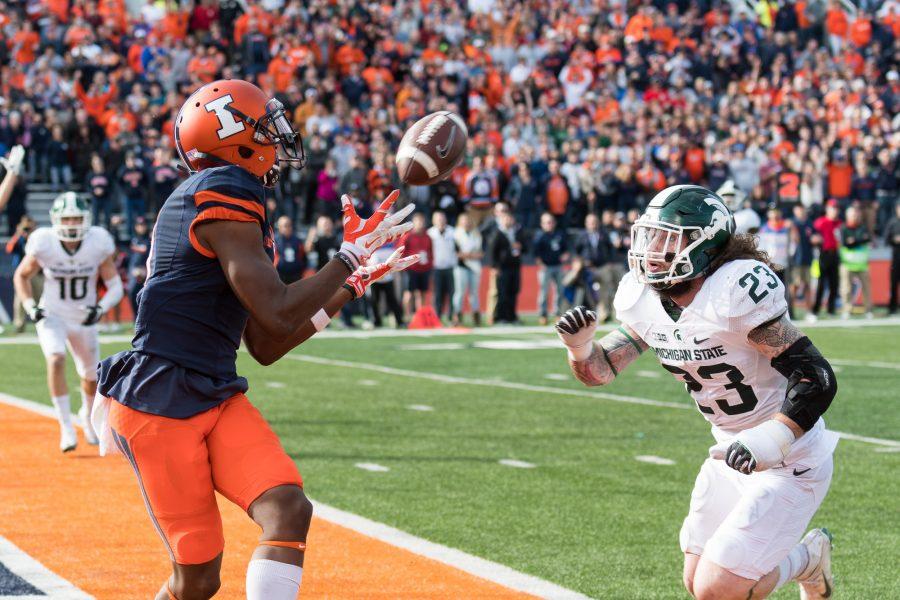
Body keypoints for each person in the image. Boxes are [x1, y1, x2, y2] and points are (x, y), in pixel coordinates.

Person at [93, 80, 413, 600]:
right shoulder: (225, 188)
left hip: (214, 390)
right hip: (162, 401)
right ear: (231, 137)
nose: (279, 134)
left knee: (287, 508)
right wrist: (347, 258)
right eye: (265, 123)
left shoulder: (233, 200)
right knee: (196, 581)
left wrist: (348, 288)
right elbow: (276, 309)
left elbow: (267, 342)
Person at [556, 184, 837, 600]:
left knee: (716, 589)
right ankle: (805, 560)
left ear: (702, 246)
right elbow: (601, 370)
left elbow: (816, 376)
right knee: (694, 580)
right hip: (730, 451)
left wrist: (772, 437)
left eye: (667, 238)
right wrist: (579, 347)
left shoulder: (733, 291)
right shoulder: (646, 299)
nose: (651, 249)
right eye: (649, 235)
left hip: (789, 457)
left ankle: (807, 559)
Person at [13, 192, 122, 452]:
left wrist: (101, 307)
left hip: (83, 316)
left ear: (85, 219)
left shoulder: (97, 241)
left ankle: (85, 414)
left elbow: (114, 283)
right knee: (56, 358)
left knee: (90, 378)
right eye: (67, 219)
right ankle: (65, 426)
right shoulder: (44, 241)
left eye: (76, 219)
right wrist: (30, 306)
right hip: (53, 314)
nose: (71, 224)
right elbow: (21, 276)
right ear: (55, 220)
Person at [757, 204, 796, 318]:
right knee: (772, 289)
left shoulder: (786, 228)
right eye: (772, 212)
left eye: (776, 211)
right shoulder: (765, 229)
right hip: (771, 265)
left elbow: (792, 244)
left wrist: (789, 255)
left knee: (786, 289)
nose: (774, 214)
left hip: (784, 263)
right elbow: (761, 246)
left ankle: (789, 312)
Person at [575, 214, 614, 320]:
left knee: (606, 289)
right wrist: (581, 262)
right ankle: (587, 312)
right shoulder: (582, 235)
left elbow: (610, 248)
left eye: (595, 222)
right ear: (586, 224)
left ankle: (605, 312)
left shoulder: (603, 234)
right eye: (590, 222)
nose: (593, 224)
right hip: (587, 268)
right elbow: (577, 250)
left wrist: (609, 262)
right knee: (587, 291)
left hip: (602, 266)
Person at [533, 212, 569, 325]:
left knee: (559, 291)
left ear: (554, 223)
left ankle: (557, 314)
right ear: (542, 224)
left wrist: (565, 256)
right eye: (546, 222)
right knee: (544, 292)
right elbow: (535, 253)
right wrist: (541, 264)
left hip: (558, 266)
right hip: (546, 267)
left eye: (551, 222)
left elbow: (566, 249)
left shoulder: (559, 234)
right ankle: (543, 315)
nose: (549, 224)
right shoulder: (539, 236)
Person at [4, 215, 39, 333]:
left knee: (41, 300)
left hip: (37, 274)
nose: (27, 231)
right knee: (20, 300)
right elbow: (9, 249)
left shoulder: (39, 238)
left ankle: (42, 324)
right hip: (23, 275)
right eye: (25, 228)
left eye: (29, 228)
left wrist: (32, 235)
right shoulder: (19, 239)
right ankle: (19, 325)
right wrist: (19, 234)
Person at [490, 210, 525, 324]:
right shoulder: (498, 233)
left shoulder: (517, 233)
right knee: (502, 293)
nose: (508, 221)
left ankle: (512, 317)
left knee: (513, 292)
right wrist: (494, 267)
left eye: (510, 219)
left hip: (515, 267)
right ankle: (501, 317)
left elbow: (526, 248)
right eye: (505, 219)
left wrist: (521, 246)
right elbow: (492, 252)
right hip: (502, 268)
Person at [810, 200, 842, 320]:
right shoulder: (820, 222)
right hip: (822, 254)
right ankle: (815, 310)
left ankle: (831, 309)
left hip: (835, 254)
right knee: (821, 284)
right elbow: (813, 236)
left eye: (836, 208)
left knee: (834, 284)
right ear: (827, 209)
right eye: (833, 208)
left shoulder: (839, 223)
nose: (835, 210)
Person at [838, 205, 873, 319]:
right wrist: (858, 240)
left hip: (862, 264)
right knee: (846, 289)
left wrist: (854, 241)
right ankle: (847, 310)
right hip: (847, 263)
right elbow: (845, 242)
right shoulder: (843, 228)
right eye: (852, 215)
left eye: (856, 214)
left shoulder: (863, 227)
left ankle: (868, 310)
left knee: (867, 288)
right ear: (848, 216)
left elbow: (867, 238)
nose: (855, 217)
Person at [452, 213, 483, 327]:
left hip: (474, 266)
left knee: (474, 293)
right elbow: (456, 253)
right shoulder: (455, 234)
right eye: (464, 220)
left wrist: (469, 255)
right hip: (461, 266)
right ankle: (457, 315)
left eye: (468, 220)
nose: (466, 222)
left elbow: (480, 253)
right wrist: (469, 255)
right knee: (460, 292)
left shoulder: (476, 234)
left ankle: (476, 315)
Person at [401, 212, 433, 317]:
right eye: (418, 221)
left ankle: (421, 316)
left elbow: (430, 252)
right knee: (409, 293)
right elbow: (400, 251)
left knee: (423, 293)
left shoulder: (427, 236)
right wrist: (403, 265)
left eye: (422, 221)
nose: (420, 223)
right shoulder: (408, 236)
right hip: (411, 269)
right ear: (413, 223)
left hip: (424, 269)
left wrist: (429, 266)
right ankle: (407, 315)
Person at [427, 211, 456, 322]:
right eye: (438, 219)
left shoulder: (453, 232)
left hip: (450, 267)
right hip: (437, 267)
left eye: (442, 218)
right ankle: (437, 317)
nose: (440, 221)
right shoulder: (430, 233)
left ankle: (451, 316)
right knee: (438, 294)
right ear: (434, 221)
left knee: (452, 293)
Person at [791, 205, 816, 314]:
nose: (800, 211)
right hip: (795, 259)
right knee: (794, 285)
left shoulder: (809, 223)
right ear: (795, 210)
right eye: (798, 209)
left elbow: (816, 236)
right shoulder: (791, 224)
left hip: (808, 258)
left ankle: (809, 311)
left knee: (807, 285)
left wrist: (816, 239)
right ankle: (790, 311)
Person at [128, 217, 151, 316]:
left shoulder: (150, 240)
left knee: (146, 296)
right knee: (132, 293)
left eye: (143, 225)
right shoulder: (133, 239)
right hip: (133, 273)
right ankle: (135, 318)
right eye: (139, 225)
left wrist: (145, 270)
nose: (141, 227)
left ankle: (145, 317)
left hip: (146, 273)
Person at [274, 216, 306, 284]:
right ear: (279, 227)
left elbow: (302, 256)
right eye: (285, 226)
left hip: (296, 275)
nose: (288, 228)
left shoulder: (297, 240)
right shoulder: (275, 241)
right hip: (280, 276)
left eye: (290, 225)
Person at [85, 154, 114, 229]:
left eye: (99, 163)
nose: (97, 165)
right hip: (95, 199)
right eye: (95, 163)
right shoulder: (90, 175)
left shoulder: (107, 174)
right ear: (92, 165)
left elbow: (112, 187)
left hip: (106, 199)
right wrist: (94, 191)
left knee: (108, 219)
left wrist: (103, 191)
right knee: (95, 219)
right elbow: (87, 187)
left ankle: (108, 234)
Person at [884, 202, 900, 315]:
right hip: (896, 256)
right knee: (894, 283)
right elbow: (886, 240)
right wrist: (895, 239)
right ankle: (892, 307)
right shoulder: (892, 223)